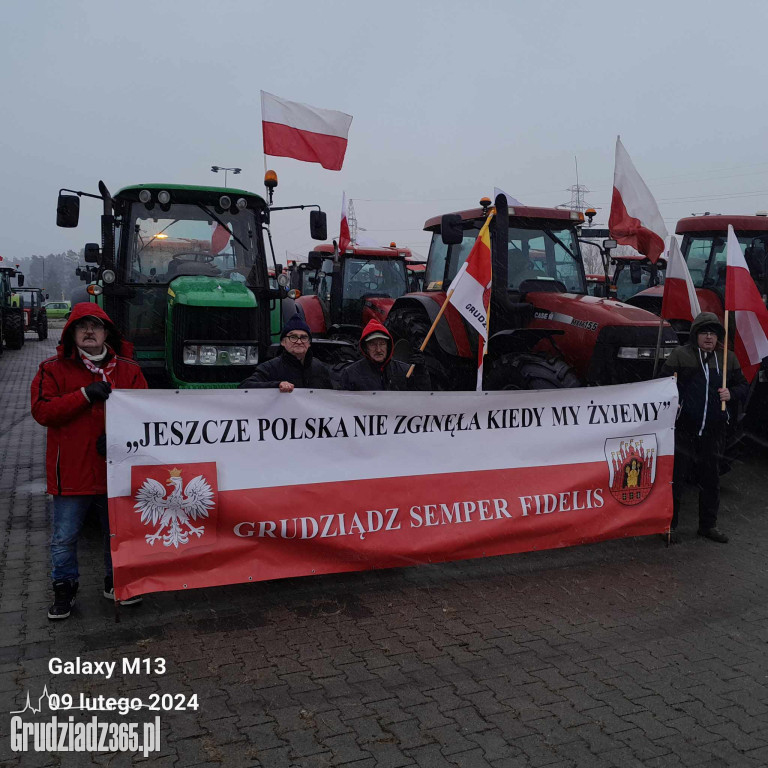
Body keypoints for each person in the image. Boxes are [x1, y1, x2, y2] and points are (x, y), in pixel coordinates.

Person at [31, 303, 148, 620]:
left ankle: (116, 582)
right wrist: (84, 395)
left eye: (95, 327)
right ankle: (64, 588)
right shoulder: (51, 370)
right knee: (64, 537)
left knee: (117, 532)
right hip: (71, 472)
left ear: (107, 332)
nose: (89, 332)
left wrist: (117, 439)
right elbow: (43, 411)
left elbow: (144, 415)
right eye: (82, 327)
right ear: (71, 334)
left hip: (114, 471)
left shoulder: (128, 370)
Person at [659, 312, 749, 544]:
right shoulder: (680, 355)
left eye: (714, 333)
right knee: (675, 480)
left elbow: (743, 387)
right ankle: (669, 526)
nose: (709, 337)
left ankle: (708, 526)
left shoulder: (728, 358)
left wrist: (732, 393)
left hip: (715, 430)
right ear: (695, 335)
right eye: (704, 332)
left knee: (711, 480)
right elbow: (662, 385)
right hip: (684, 429)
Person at [239, 313, 333, 391]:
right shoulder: (271, 368)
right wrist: (277, 385)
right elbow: (245, 387)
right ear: (283, 342)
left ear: (309, 343)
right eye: (293, 337)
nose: (299, 342)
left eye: (304, 337)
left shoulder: (319, 368)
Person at [339, 320, 431, 391]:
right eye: (373, 344)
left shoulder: (405, 371)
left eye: (382, 344)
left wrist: (421, 372)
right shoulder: (351, 374)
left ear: (388, 346)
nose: (378, 349)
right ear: (365, 347)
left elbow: (422, 398)